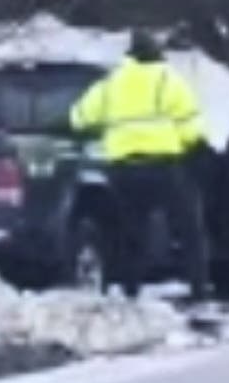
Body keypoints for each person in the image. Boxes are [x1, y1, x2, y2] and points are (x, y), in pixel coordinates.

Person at [69, 29, 212, 301]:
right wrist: (190, 148)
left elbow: (79, 117)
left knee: (132, 230)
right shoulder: (168, 80)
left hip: (124, 170)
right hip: (164, 167)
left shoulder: (112, 83)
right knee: (190, 226)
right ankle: (199, 287)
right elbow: (191, 127)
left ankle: (130, 289)